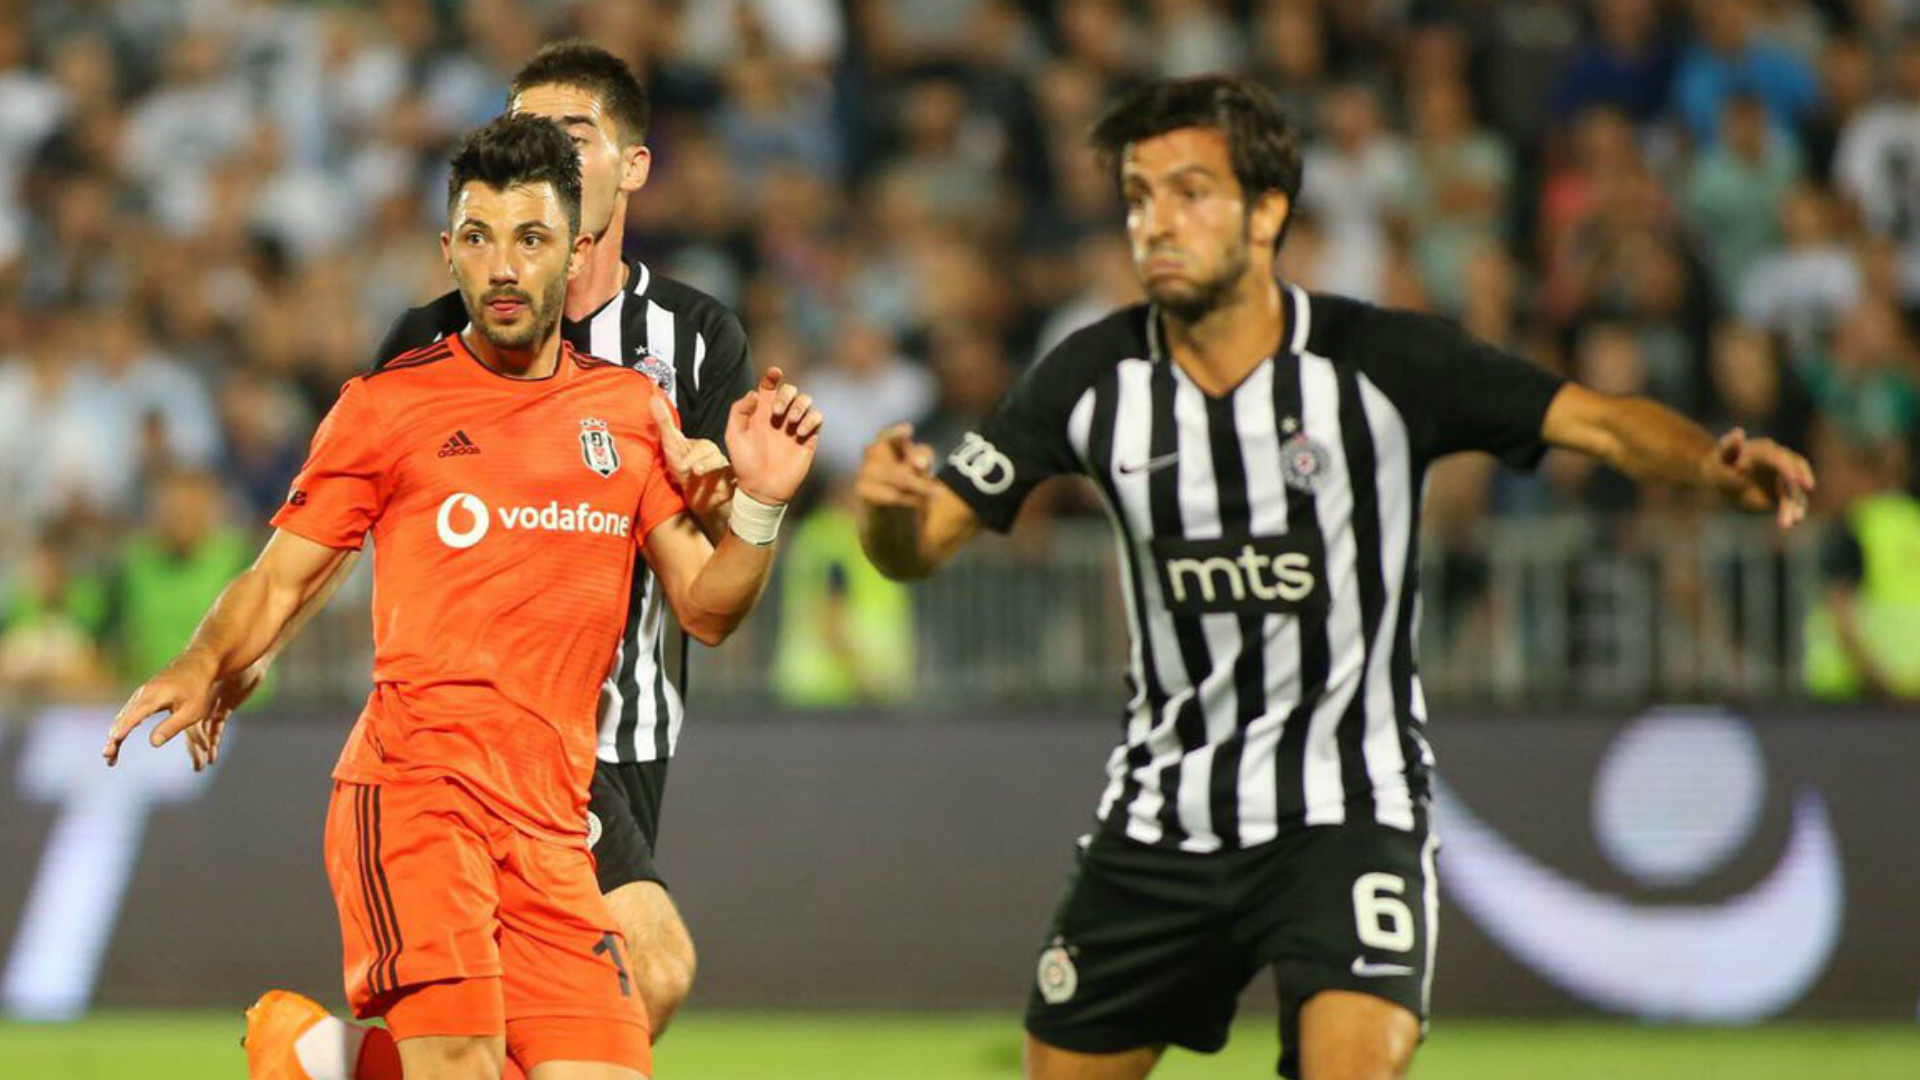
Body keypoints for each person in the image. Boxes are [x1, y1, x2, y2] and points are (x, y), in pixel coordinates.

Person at [854, 76, 1814, 1080]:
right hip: (1164, 818)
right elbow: (919, 548)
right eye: (1138, 198)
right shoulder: (1089, 379)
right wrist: (887, 511)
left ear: (1267, 211)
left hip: (1348, 812)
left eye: (1190, 193)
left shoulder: (1383, 362)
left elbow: (1601, 421)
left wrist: (1710, 465)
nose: (1155, 224)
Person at [103, 115, 820, 1080]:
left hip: (554, 825)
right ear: (449, 250)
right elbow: (278, 577)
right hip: (417, 796)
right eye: (478, 238)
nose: (504, 267)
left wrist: (762, 504)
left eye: (531, 239)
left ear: (576, 251)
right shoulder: (387, 407)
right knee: (463, 1063)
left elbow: (706, 606)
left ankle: (324, 1062)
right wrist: (203, 659)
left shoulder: (628, 414)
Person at [240, 42, 767, 1078]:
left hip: (630, 721)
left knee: (560, 1016)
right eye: (529, 131)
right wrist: (258, 643)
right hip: (487, 726)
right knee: (653, 966)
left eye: (573, 135)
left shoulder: (696, 339)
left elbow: (710, 571)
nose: (547, 152)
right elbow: (359, 508)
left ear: (629, 168)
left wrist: (739, 495)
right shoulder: (435, 335)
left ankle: (328, 1062)